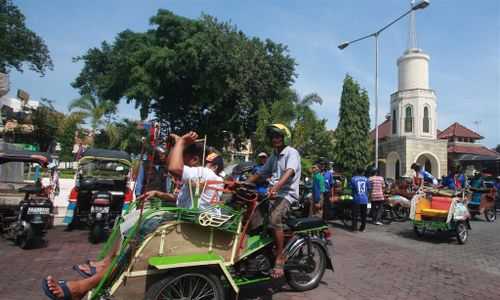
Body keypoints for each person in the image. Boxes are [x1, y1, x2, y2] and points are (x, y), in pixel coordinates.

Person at [42, 132, 225, 300]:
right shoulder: (200, 175)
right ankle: (106, 264)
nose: (179, 160)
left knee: (138, 235)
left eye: (182, 157)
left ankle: (82, 287)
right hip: (187, 218)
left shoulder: (204, 172)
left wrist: (182, 142)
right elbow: (182, 196)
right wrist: (159, 193)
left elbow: (173, 168)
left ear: (193, 160)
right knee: (136, 219)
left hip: (191, 223)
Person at [246, 123, 301, 279]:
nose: (275, 139)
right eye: (273, 137)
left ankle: (280, 256)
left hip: (286, 194)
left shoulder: (292, 153)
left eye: (278, 136)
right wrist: (243, 183)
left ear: (285, 138)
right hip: (272, 193)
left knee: (274, 219)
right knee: (252, 219)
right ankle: (258, 252)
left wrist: (276, 187)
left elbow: (289, 172)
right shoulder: (274, 155)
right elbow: (261, 173)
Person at [349, 166, 371, 232]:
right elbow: (369, 188)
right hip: (365, 199)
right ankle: (362, 228)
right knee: (363, 215)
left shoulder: (353, 179)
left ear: (356, 171)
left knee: (355, 215)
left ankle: (354, 228)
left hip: (356, 199)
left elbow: (350, 187)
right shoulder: (366, 179)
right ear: (363, 172)